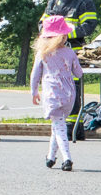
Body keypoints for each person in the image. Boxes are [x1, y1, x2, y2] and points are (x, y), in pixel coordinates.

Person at [44, 0, 100, 137]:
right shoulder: (53, 2)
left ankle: (74, 127)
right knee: (57, 88)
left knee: (73, 89)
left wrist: (66, 35)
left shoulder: (84, 2)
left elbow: (89, 26)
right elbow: (43, 24)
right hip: (54, 53)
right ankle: (60, 123)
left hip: (74, 52)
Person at [29, 14, 83, 171]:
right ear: (63, 36)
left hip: (52, 94)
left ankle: (67, 158)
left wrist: (34, 91)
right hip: (69, 95)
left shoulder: (43, 54)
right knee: (57, 125)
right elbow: (79, 73)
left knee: (59, 126)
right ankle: (51, 157)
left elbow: (35, 75)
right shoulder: (70, 53)